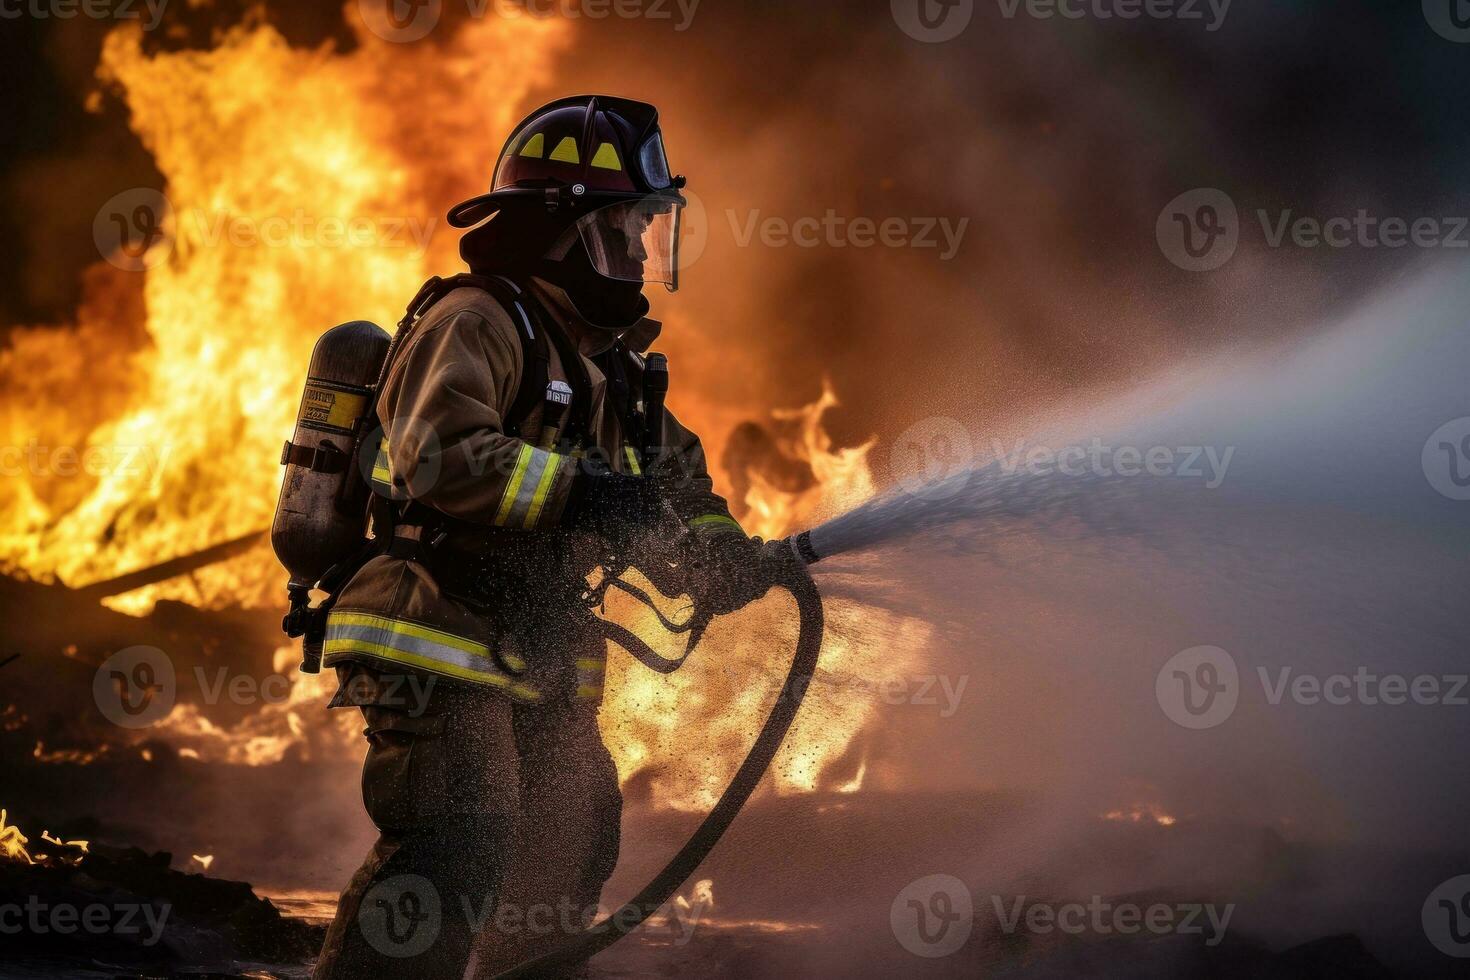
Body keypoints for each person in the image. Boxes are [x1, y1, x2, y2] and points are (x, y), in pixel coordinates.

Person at [312, 95, 770, 979]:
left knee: (574, 830)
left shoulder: (612, 364)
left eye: (648, 226)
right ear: (567, 229)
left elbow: (673, 484)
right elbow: (440, 454)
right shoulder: (480, 321)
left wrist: (718, 551)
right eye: (627, 226)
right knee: (460, 830)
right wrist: (583, 492)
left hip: (536, 644)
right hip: (434, 627)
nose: (642, 248)